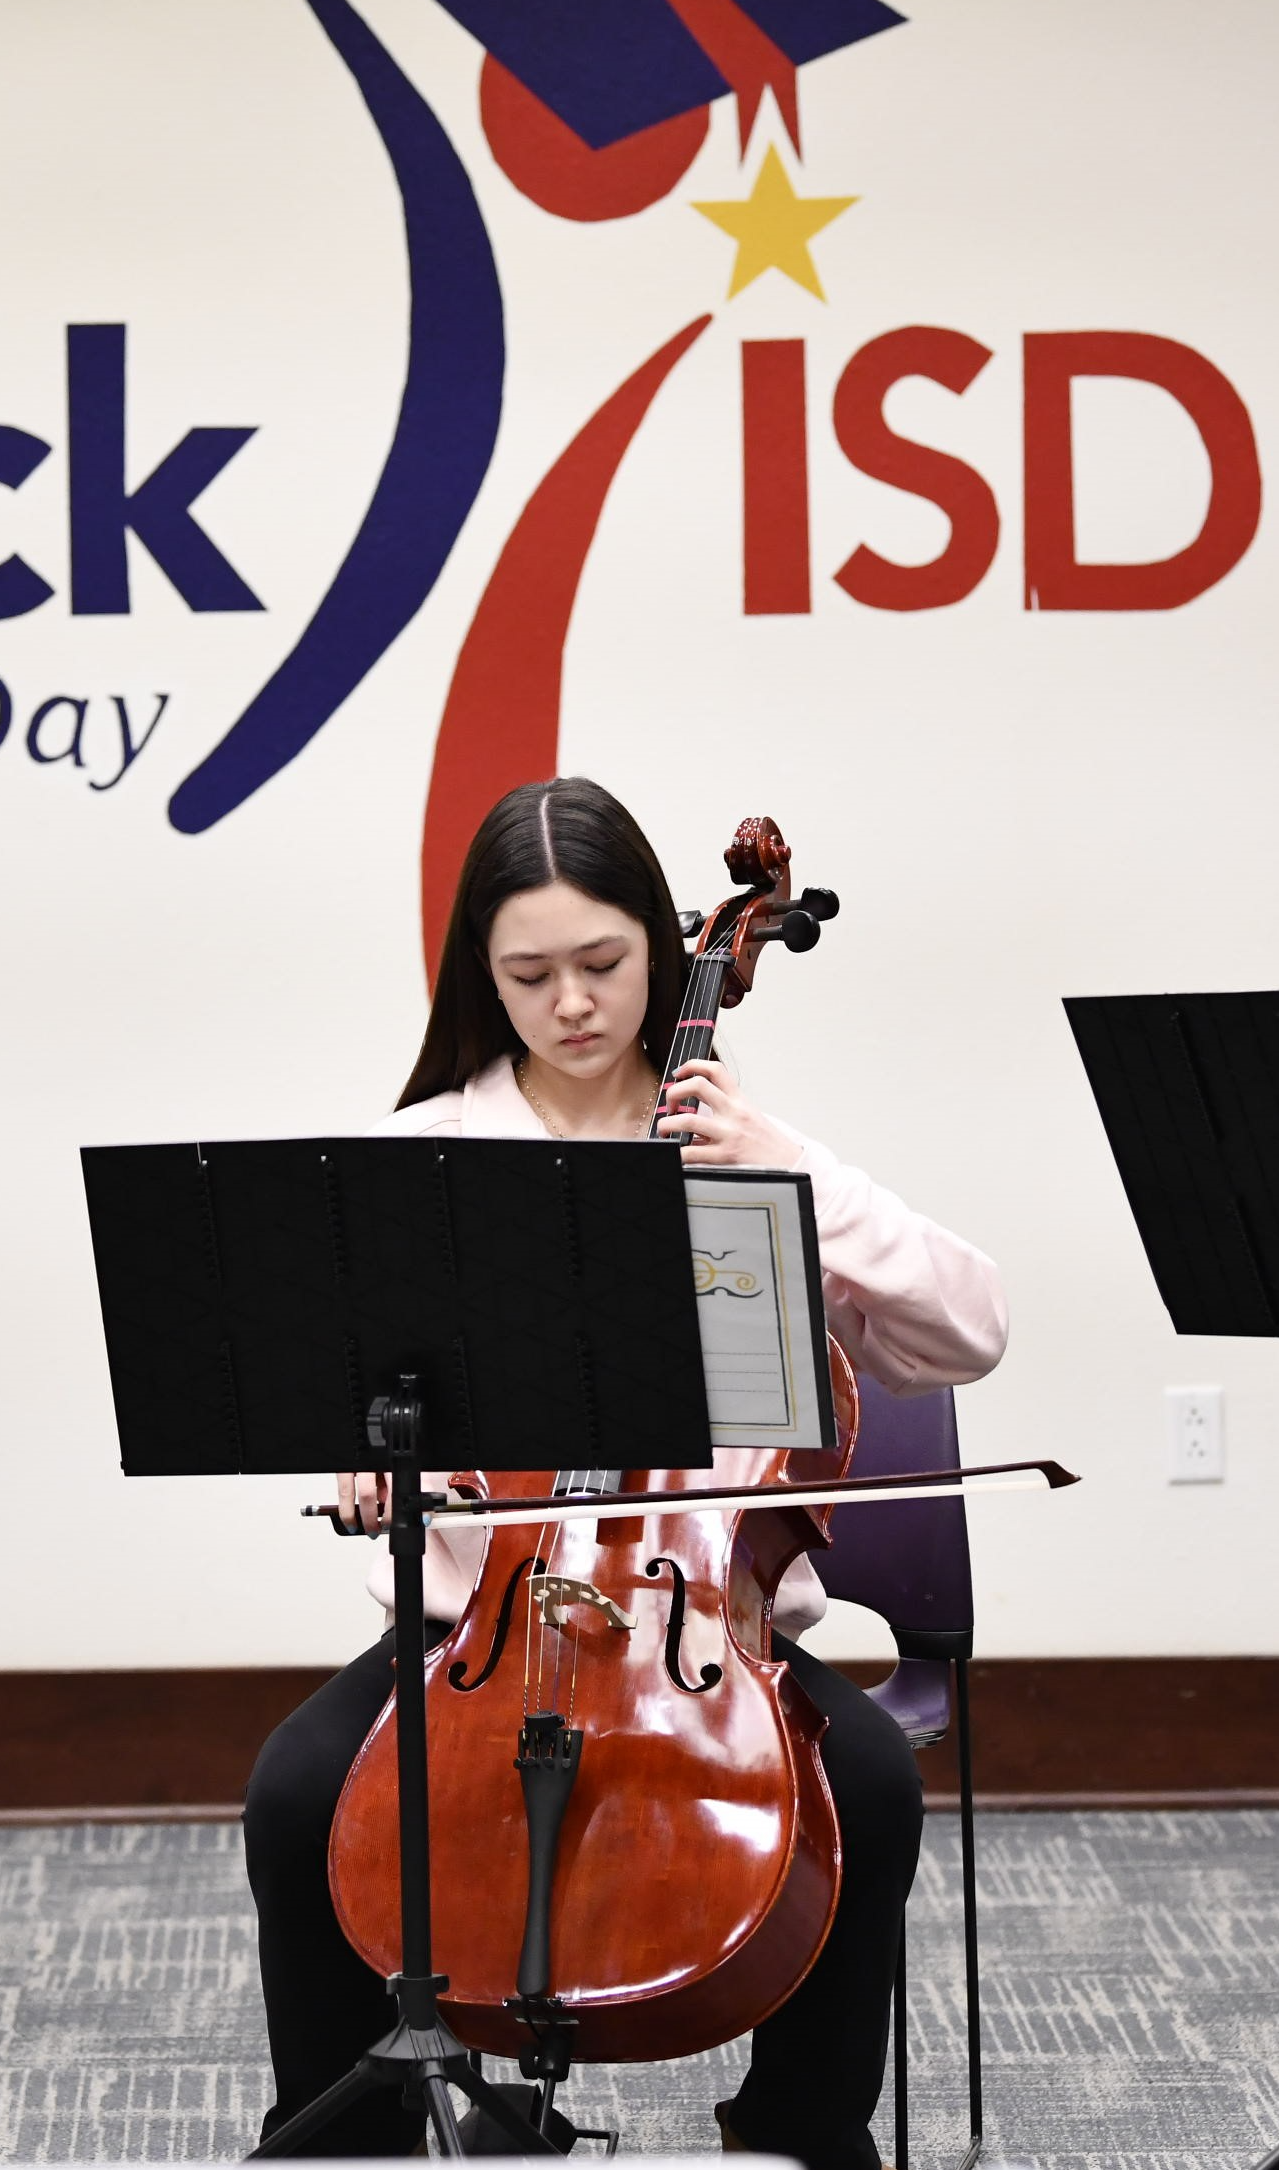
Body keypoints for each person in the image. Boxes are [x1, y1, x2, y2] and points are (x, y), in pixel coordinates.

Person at [242, 777, 1008, 2167]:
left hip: (702, 1630)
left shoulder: (748, 1169)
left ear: (663, 948)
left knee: (875, 1789)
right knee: (298, 1793)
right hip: (469, 1632)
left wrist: (795, 1172)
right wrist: (366, 1450)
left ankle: (801, 2134)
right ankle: (334, 2143)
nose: (571, 1002)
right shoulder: (427, 1166)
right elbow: (356, 1398)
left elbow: (967, 1330)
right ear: (481, 975)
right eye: (527, 973)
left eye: (601, 963)